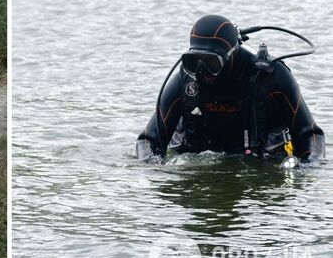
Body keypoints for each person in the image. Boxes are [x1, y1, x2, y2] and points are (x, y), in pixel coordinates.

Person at [136, 15, 325, 164]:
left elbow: (311, 133)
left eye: (212, 62)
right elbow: (147, 140)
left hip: (260, 162)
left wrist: (309, 166)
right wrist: (153, 165)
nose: (203, 72)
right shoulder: (186, 81)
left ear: (231, 55)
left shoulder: (272, 78)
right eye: (194, 61)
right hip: (201, 158)